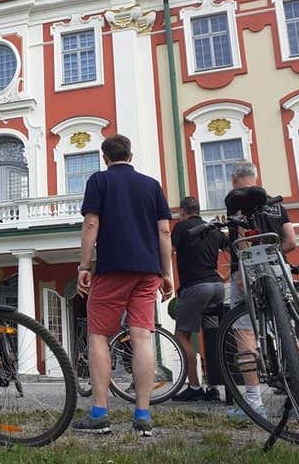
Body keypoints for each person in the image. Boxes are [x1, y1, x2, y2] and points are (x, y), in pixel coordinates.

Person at [71, 134, 173, 437]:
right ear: (130, 155)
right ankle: (142, 414)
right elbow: (164, 232)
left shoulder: (99, 181)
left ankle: (100, 413)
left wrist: (84, 266)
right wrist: (167, 273)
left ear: (105, 157)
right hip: (147, 270)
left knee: (99, 336)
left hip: (113, 268)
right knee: (142, 337)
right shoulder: (151, 185)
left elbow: (91, 224)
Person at [225, 161, 296, 419]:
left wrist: (247, 269)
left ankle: (254, 403)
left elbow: (242, 240)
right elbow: (291, 241)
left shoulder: (236, 202)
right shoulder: (276, 204)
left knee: (245, 332)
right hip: (279, 269)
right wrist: (270, 255)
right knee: (288, 326)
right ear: (255, 177)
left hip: (248, 271)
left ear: (234, 179)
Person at [171, 197, 226, 402]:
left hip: (195, 288)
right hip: (217, 287)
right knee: (212, 336)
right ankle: (214, 387)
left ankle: (194, 387)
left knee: (182, 336)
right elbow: (231, 250)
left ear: (183, 212)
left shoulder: (182, 227)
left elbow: (169, 250)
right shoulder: (212, 229)